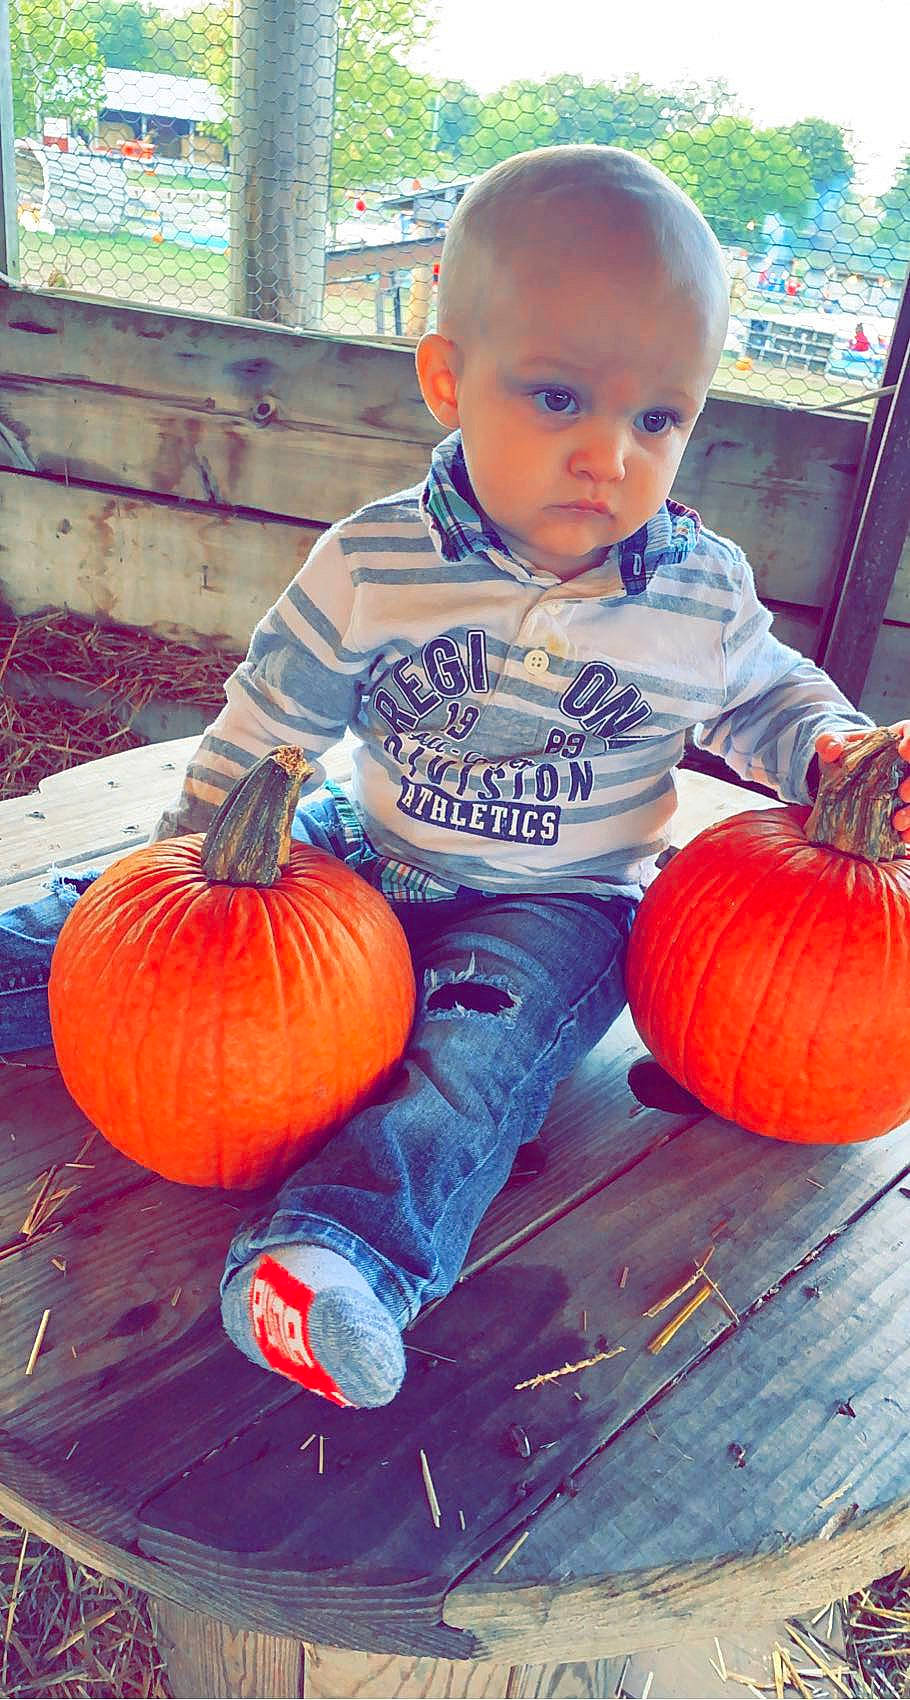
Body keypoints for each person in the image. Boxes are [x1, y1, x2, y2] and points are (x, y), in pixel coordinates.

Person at [2, 146, 909, 1411]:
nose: (611, 455)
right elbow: (275, 712)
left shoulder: (695, 593)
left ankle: (334, 1259)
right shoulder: (375, 560)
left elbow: (767, 695)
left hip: (561, 904)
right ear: (448, 378)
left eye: (659, 418)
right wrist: (196, 867)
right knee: (107, 922)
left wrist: (831, 752)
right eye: (558, 398)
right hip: (356, 848)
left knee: (476, 1063)